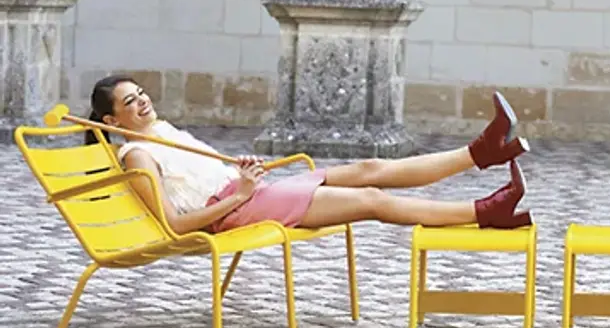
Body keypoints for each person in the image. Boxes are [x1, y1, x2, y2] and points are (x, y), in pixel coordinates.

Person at [88, 76, 532, 236]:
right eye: (130, 102)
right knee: (372, 199)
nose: (142, 102)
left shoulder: (162, 132)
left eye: (141, 93)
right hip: (236, 211)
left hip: (249, 194)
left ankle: (483, 151)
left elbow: (206, 177)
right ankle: (486, 211)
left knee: (369, 168)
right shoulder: (137, 157)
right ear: (111, 120)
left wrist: (241, 174)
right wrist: (239, 194)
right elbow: (175, 225)